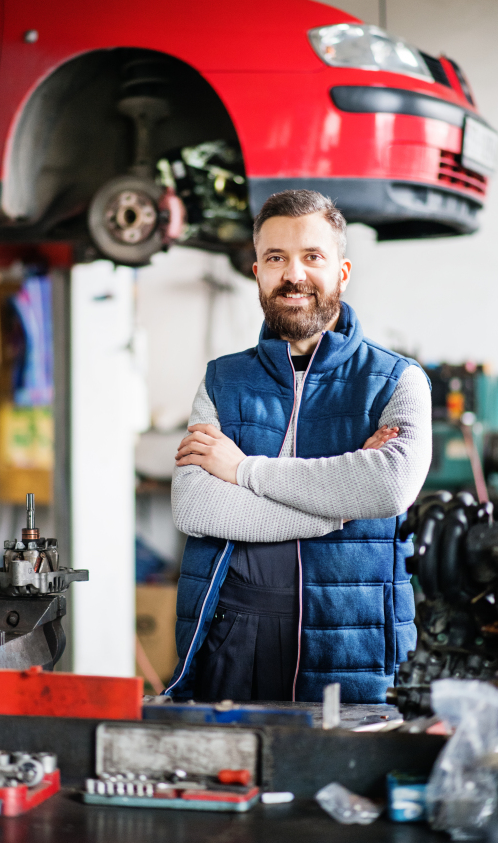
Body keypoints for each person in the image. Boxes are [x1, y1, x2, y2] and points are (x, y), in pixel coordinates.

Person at [166, 189, 432, 704]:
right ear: (257, 272)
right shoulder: (223, 381)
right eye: (276, 258)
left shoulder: (397, 381)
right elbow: (195, 506)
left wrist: (243, 471)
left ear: (342, 271)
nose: (294, 275)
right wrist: (342, 504)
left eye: (312, 257)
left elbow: (389, 488)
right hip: (234, 636)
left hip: (351, 637)